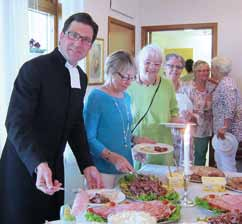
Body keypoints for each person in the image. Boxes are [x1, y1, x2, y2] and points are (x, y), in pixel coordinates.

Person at [0, 12, 103, 224]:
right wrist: (38, 163)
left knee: (52, 219)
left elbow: (75, 124)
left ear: (90, 45)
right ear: (61, 36)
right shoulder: (34, 69)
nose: (78, 43)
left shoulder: (81, 78)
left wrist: (87, 164)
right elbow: (16, 123)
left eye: (85, 39)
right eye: (73, 35)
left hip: (55, 167)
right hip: (24, 165)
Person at [84, 50, 154, 186]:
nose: (128, 82)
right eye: (124, 77)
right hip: (102, 169)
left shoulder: (126, 97)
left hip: (125, 166)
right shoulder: (96, 97)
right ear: (111, 71)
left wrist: (136, 141)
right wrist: (113, 158)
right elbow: (88, 138)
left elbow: (121, 131)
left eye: (132, 77)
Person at [128, 44, 179, 166]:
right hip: (137, 144)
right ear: (139, 62)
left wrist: (180, 122)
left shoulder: (167, 85)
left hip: (163, 144)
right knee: (138, 181)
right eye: (147, 62)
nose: (152, 67)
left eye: (157, 64)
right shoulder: (128, 85)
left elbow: (174, 111)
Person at [183, 60, 216, 165]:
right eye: (200, 71)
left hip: (205, 129)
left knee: (201, 156)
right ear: (195, 72)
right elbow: (184, 109)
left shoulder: (212, 87)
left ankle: (198, 179)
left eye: (207, 70)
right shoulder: (187, 87)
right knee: (188, 157)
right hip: (191, 127)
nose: (204, 73)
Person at [211, 56, 242, 171]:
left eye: (212, 67)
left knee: (226, 164)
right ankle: (223, 186)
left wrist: (224, 127)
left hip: (227, 132)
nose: (211, 70)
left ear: (217, 68)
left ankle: (229, 186)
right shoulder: (226, 81)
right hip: (226, 130)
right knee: (222, 161)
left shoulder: (226, 85)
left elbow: (230, 107)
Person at [164, 53, 193, 165]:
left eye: (179, 67)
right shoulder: (158, 88)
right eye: (171, 66)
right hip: (165, 137)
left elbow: (197, 116)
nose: (174, 70)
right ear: (164, 67)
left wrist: (191, 116)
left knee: (184, 172)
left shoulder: (188, 89)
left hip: (184, 139)